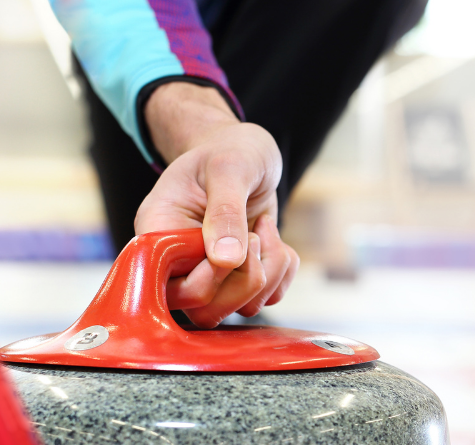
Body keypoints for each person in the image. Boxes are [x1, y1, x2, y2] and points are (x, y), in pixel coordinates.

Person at [51, 0, 426, 327]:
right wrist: (204, 126)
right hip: (139, 37)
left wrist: (223, 144)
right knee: (167, 288)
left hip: (288, 24)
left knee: (198, 289)